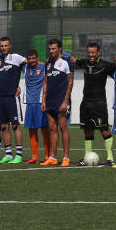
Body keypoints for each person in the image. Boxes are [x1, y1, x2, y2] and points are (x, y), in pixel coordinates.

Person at [68, 42, 116, 166]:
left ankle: (110, 158)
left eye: (93, 53)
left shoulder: (105, 65)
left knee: (104, 130)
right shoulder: (84, 63)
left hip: (99, 103)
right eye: (89, 52)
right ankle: (86, 158)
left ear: (98, 53)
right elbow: (74, 60)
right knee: (87, 130)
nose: (90, 55)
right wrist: (66, 55)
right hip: (86, 103)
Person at [40, 38, 73, 167]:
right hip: (49, 101)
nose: (51, 51)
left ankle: (66, 158)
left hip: (61, 101)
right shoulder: (48, 63)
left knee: (63, 128)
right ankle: (52, 157)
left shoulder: (66, 63)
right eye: (50, 49)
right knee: (52, 129)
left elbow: (70, 82)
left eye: (53, 49)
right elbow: (45, 82)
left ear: (59, 48)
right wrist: (43, 100)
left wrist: (65, 101)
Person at [0, 36, 26, 163]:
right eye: (2, 46)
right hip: (0, 98)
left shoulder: (17, 57)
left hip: (11, 97)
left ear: (10, 46)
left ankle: (18, 156)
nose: (4, 48)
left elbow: (31, 64)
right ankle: (8, 154)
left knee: (15, 125)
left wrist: (21, 86)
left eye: (6, 45)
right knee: (3, 126)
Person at [21, 49, 50, 164]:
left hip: (40, 102)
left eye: (34, 58)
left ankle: (48, 156)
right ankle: (35, 157)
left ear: (38, 58)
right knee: (32, 130)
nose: (32, 61)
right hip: (29, 103)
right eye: (29, 59)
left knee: (44, 129)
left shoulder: (44, 67)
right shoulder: (25, 67)